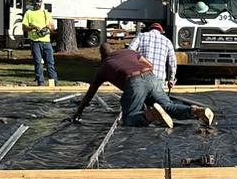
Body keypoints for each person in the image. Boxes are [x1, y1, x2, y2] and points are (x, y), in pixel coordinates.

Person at [71, 43, 215, 129]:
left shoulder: (103, 67)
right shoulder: (129, 51)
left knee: (129, 118)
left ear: (102, 56)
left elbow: (90, 94)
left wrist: (79, 111)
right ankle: (196, 111)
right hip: (152, 78)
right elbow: (149, 64)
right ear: (113, 49)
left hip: (134, 82)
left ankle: (152, 114)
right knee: (168, 106)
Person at [127, 22, 177, 88]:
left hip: (142, 76)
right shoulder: (167, 41)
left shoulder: (141, 36)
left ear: (150, 29)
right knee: (157, 98)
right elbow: (172, 63)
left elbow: (129, 52)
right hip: (159, 78)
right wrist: (171, 79)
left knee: (142, 98)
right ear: (161, 31)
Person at [22, 0, 58, 86]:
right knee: (38, 62)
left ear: (41, 3)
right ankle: (40, 81)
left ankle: (53, 81)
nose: (38, 4)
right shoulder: (29, 13)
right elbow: (24, 27)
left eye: (39, 2)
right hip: (35, 42)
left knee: (50, 62)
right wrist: (33, 28)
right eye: (36, 2)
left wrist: (49, 27)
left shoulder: (46, 13)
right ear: (33, 3)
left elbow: (53, 28)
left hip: (46, 42)